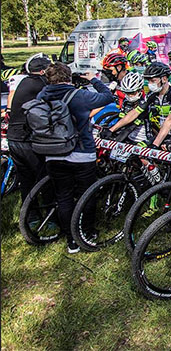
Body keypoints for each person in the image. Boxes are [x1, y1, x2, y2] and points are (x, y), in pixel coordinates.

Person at [38, 62, 115, 253]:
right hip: (81, 153)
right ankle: (85, 233)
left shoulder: (42, 95)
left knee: (63, 197)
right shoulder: (79, 96)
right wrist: (93, 79)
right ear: (68, 77)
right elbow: (107, 96)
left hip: (53, 153)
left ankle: (71, 239)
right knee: (86, 195)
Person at [107, 62, 171, 149]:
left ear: (164, 79)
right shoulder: (152, 94)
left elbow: (170, 121)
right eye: (148, 81)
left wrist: (155, 144)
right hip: (160, 134)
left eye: (153, 81)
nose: (150, 84)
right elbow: (135, 112)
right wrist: (111, 129)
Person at [6, 54, 52, 205]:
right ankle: (50, 215)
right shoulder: (40, 85)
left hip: (13, 137)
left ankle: (30, 215)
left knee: (26, 178)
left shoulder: (25, 81)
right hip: (26, 139)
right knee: (44, 176)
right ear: (42, 72)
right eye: (49, 68)